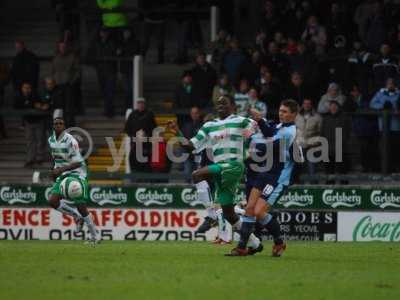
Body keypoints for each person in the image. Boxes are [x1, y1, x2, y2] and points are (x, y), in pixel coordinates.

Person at [168, 95, 261, 251]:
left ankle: (211, 214)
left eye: (224, 103)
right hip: (221, 169)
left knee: (197, 174)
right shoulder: (209, 125)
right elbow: (191, 146)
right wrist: (177, 131)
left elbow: (255, 130)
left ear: (233, 106)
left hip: (233, 165)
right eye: (218, 104)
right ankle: (255, 243)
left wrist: (248, 144)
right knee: (229, 214)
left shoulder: (240, 120)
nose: (220, 106)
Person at [228, 99, 301, 256]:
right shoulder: (281, 126)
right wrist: (260, 120)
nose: (281, 114)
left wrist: (249, 140)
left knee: (259, 211)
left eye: (285, 111)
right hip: (265, 172)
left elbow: (269, 146)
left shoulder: (289, 132)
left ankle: (279, 242)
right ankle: (241, 247)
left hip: (278, 177)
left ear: (294, 114)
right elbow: (268, 133)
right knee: (249, 208)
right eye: (280, 110)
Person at [47, 116, 98, 245]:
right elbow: (55, 158)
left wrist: (60, 169)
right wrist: (53, 170)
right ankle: (77, 217)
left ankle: (95, 236)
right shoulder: (50, 140)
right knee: (52, 201)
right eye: (56, 123)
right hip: (63, 174)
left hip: (77, 173)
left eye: (60, 123)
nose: (58, 125)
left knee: (81, 205)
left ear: (64, 126)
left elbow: (78, 162)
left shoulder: (71, 140)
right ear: (53, 126)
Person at [370, 78, 400, 172]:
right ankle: (385, 169)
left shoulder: (399, 94)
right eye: (388, 83)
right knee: (384, 148)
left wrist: (394, 107)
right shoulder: (380, 94)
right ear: (386, 85)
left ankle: (396, 168)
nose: (390, 85)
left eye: (392, 83)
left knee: (396, 148)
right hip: (383, 126)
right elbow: (372, 104)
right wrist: (382, 106)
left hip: (395, 126)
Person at [15, 82, 48, 168]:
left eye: (28, 88)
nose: (26, 90)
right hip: (28, 122)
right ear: (22, 89)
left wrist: (40, 106)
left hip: (38, 121)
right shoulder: (19, 97)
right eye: (24, 88)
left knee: (40, 140)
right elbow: (17, 106)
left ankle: (40, 158)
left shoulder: (35, 96)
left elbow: (42, 105)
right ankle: (30, 159)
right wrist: (32, 105)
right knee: (30, 141)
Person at [321, 101, 351, 183]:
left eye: (335, 106)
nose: (333, 108)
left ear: (338, 107)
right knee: (329, 171)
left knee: (342, 170)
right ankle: (329, 187)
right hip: (328, 148)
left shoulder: (344, 118)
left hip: (341, 148)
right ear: (329, 108)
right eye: (332, 106)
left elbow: (348, 132)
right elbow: (322, 133)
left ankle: (344, 189)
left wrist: (344, 143)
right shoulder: (325, 119)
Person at [51, 41, 80, 127]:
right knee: (59, 106)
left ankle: (70, 125)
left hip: (68, 85)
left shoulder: (72, 57)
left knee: (69, 107)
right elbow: (53, 70)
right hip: (58, 85)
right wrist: (53, 80)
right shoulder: (56, 58)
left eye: (64, 47)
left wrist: (72, 81)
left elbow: (77, 70)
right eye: (61, 47)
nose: (62, 48)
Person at [124, 98, 157, 173]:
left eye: (142, 103)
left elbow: (155, 129)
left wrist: (147, 135)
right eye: (139, 103)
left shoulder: (149, 114)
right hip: (135, 144)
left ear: (145, 104)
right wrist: (135, 136)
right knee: (134, 162)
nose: (141, 105)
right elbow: (127, 129)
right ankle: (135, 178)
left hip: (147, 145)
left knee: (146, 163)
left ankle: (145, 179)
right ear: (137, 105)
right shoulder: (132, 115)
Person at [295, 98, 322, 180]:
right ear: (302, 105)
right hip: (300, 144)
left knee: (312, 166)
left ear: (311, 105)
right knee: (299, 165)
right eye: (305, 103)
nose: (306, 105)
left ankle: (313, 185)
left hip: (312, 144)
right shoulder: (297, 116)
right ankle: (299, 186)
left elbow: (320, 131)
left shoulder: (317, 117)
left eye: (308, 103)